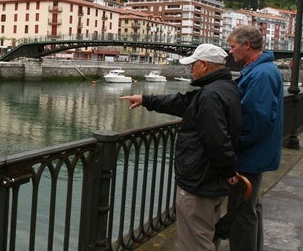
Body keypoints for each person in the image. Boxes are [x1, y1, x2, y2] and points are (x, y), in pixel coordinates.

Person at [121, 44, 241, 251]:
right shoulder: (223, 89)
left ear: (204, 65)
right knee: (207, 234)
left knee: (195, 242)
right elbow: (184, 103)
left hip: (200, 181)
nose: (190, 70)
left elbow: (216, 139)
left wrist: (228, 169)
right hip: (211, 179)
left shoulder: (211, 95)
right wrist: (146, 100)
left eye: (193, 65)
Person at [226, 25, 284, 251]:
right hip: (256, 153)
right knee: (251, 208)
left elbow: (255, 120)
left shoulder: (260, 74)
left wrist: (232, 146)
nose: (230, 52)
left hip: (249, 155)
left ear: (246, 45)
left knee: (241, 213)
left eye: (233, 46)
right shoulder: (263, 70)